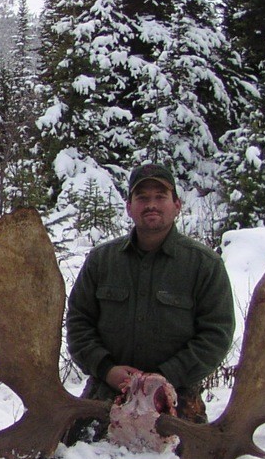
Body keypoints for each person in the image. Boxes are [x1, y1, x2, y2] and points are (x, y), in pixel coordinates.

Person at [65, 162, 235, 443]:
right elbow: (79, 323)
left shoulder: (205, 265)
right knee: (69, 455)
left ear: (177, 205)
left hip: (175, 395)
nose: (151, 205)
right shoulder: (101, 260)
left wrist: (166, 377)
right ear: (129, 207)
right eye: (142, 197)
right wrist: (106, 369)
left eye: (160, 197)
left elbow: (216, 335)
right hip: (106, 394)